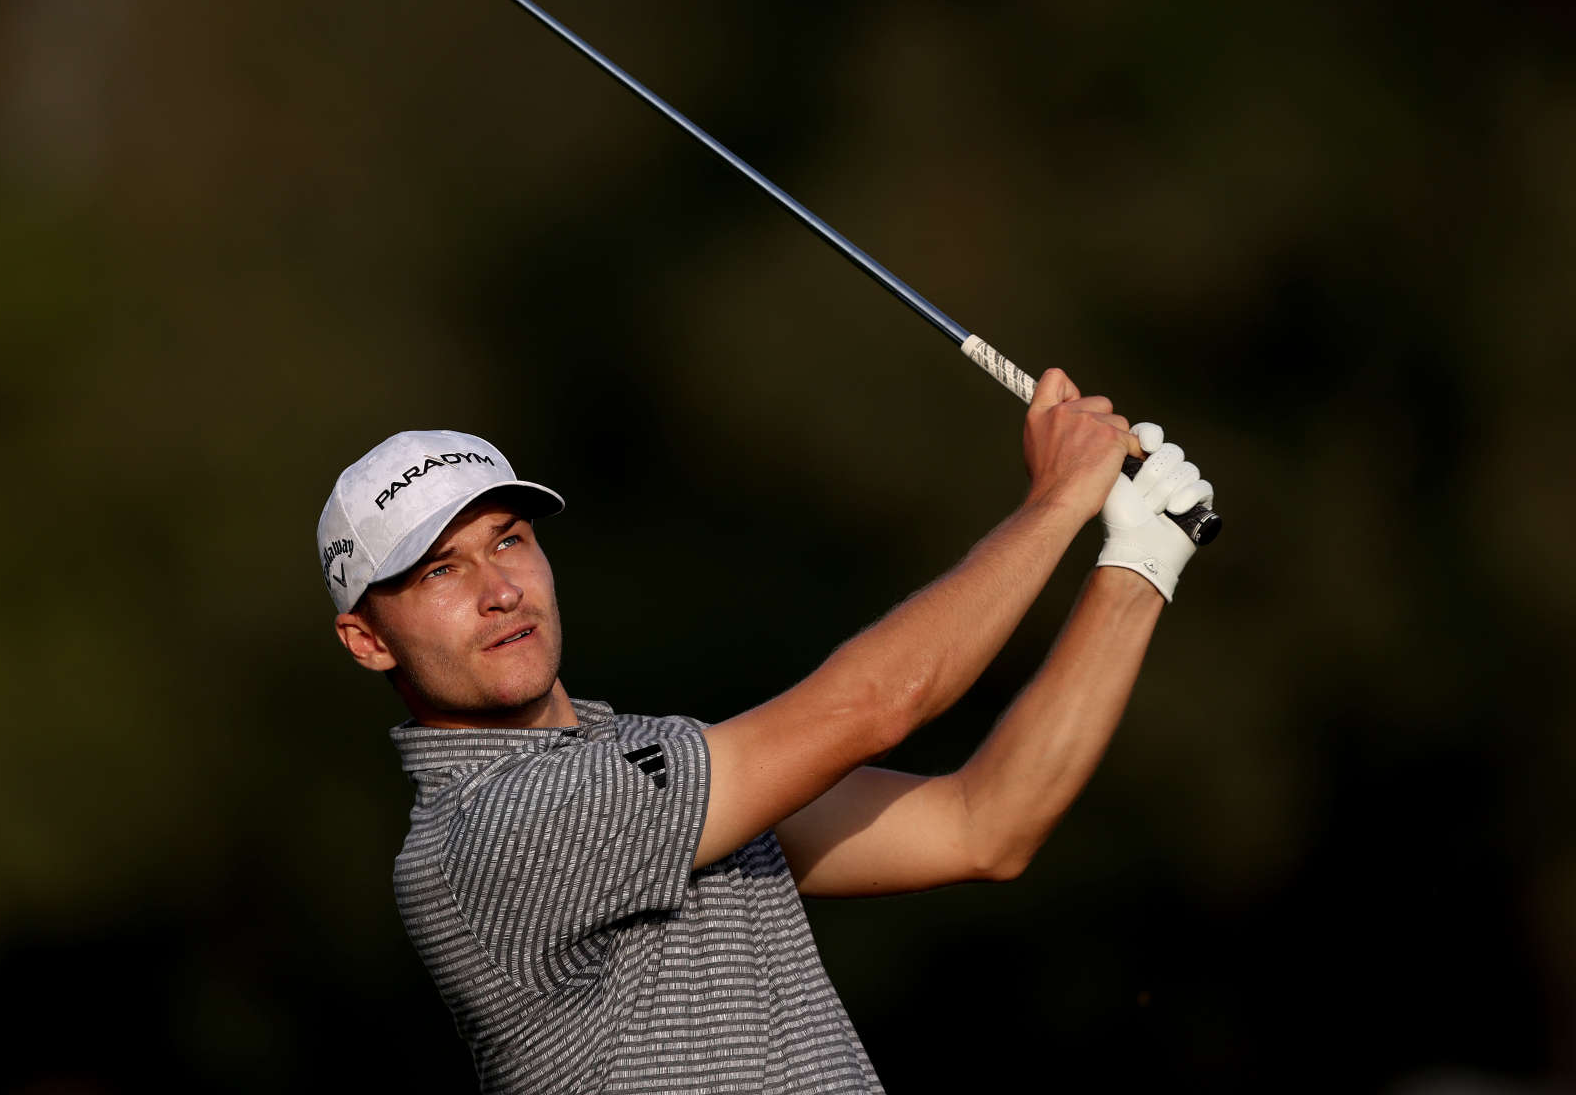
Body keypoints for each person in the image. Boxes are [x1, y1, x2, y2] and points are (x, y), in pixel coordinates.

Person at [317, 369, 1215, 1093]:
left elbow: (984, 823)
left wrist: (1139, 562)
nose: (499, 589)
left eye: (509, 541)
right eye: (440, 571)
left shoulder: (661, 757)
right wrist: (1056, 501)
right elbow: (876, 704)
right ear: (366, 641)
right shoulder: (488, 834)